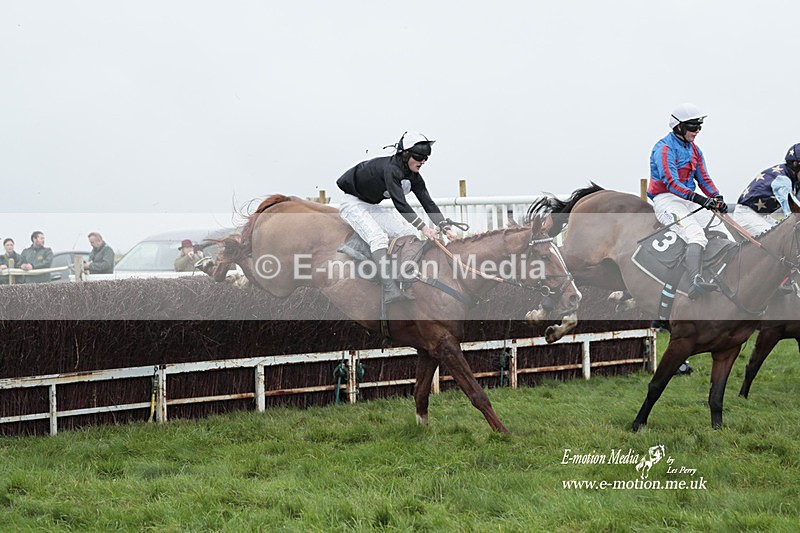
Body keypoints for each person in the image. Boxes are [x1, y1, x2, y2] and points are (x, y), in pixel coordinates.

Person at [336, 131, 459, 304]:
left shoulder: (414, 176)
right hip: (353, 203)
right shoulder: (391, 169)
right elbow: (400, 204)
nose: (422, 161)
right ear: (405, 154)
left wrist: (445, 227)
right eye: (419, 157)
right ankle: (389, 289)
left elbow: (427, 202)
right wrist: (424, 228)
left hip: (372, 205)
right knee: (378, 238)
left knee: (406, 232)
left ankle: (403, 279)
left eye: (426, 158)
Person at [647, 103, 733, 299]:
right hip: (666, 199)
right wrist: (701, 199)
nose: (698, 131)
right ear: (679, 127)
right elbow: (671, 183)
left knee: (724, 230)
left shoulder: (695, 150)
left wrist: (716, 197)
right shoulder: (664, 149)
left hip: (689, 200)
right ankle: (695, 282)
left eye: (699, 126)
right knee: (696, 235)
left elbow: (704, 178)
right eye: (693, 127)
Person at [733, 143, 800, 236]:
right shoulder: (783, 180)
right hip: (746, 215)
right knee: (780, 240)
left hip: (762, 216)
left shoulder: (794, 179)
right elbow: (790, 211)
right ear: (796, 164)